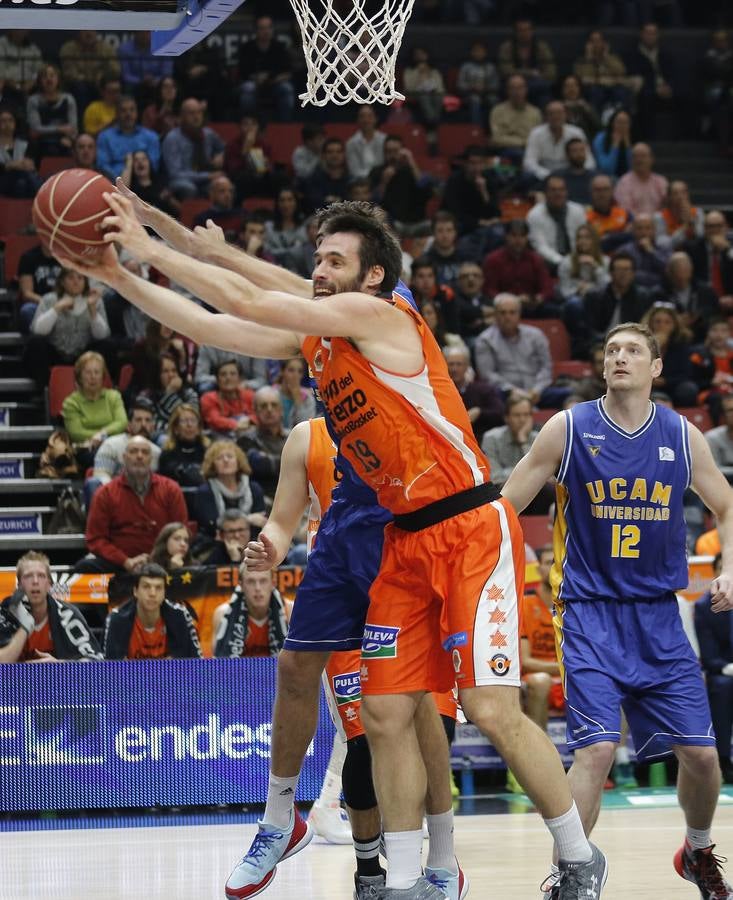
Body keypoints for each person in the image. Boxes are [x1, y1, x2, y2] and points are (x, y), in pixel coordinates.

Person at [69, 193, 606, 900]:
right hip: (404, 542)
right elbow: (214, 320)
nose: (316, 270)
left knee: (488, 708)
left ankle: (576, 857)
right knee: (382, 715)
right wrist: (120, 273)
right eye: (315, 259)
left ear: (373, 277)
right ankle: (410, 881)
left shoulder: (385, 318)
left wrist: (154, 246)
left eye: (333, 261)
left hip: (469, 527)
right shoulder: (322, 338)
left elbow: (258, 297)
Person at [502, 321, 733, 900]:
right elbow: (505, 506)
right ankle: (572, 875)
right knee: (597, 750)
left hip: (658, 614)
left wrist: (729, 567)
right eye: (611, 350)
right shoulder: (570, 428)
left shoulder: (682, 436)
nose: (619, 357)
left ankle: (698, 848)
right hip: (587, 611)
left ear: (656, 368)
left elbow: (726, 505)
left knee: (703, 757)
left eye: (633, 350)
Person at [237, 415, 464, 892]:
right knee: (357, 744)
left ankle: (442, 857)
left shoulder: (405, 417)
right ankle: (339, 857)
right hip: (340, 580)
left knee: (430, 725)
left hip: (405, 574)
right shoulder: (308, 436)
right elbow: (282, 521)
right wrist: (270, 549)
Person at [77, 435, 188, 574]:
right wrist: (125, 561)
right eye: (134, 451)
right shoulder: (105, 493)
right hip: (119, 565)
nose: (139, 456)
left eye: (145, 452)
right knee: (84, 567)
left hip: (163, 564)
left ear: (151, 459)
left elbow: (181, 531)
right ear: (124, 457)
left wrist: (160, 559)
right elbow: (96, 539)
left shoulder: (171, 489)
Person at [0, 551, 102, 663]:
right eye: (28, 576)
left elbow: (96, 661)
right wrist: (24, 628)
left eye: (41, 576)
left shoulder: (67, 615)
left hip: (57, 679)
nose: (35, 581)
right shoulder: (6, 613)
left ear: (49, 584)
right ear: (19, 585)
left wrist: (58, 666)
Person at [26, 268, 112, 388]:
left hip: (83, 355)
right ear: (62, 281)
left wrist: (92, 311)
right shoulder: (49, 299)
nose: (76, 282)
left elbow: (102, 335)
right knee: (35, 343)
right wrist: (57, 308)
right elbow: (38, 330)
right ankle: (44, 389)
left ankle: (100, 390)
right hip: (55, 353)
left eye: (80, 278)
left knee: (106, 345)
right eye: (71, 278)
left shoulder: (94, 301)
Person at [103, 562, 201, 659]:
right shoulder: (116, 619)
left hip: (170, 675)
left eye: (158, 588)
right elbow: (109, 668)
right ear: (135, 591)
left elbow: (196, 663)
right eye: (146, 587)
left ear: (164, 593)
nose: (152, 593)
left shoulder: (180, 615)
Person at [474, 293, 553, 406]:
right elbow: (488, 375)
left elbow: (546, 367)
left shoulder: (536, 335)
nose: (507, 317)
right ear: (495, 315)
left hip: (537, 392)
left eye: (512, 312)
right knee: (492, 397)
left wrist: (537, 389)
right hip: (505, 393)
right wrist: (511, 390)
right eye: (503, 313)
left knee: (568, 394)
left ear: (519, 314)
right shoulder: (485, 340)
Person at [694, 554, 733, 784]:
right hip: (723, 671)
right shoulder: (704, 606)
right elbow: (709, 658)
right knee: (722, 686)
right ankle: (724, 760)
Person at [520, 545, 565, 735]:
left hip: (569, 678)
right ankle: (537, 751)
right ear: (538, 569)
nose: (553, 567)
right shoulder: (524, 604)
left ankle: (618, 757)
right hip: (536, 677)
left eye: (557, 563)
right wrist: (561, 667)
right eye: (548, 562)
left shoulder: (573, 606)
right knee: (541, 681)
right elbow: (525, 662)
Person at [86, 395, 161, 506]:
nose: (143, 424)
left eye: (147, 420)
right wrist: (124, 494)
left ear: (153, 426)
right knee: (93, 484)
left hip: (146, 502)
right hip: (114, 499)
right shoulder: (111, 445)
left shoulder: (156, 452)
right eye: (138, 420)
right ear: (129, 424)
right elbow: (101, 477)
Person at [61, 350, 127, 471]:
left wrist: (102, 435)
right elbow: (76, 433)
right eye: (88, 372)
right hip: (87, 449)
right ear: (80, 376)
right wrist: (102, 437)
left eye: (97, 372)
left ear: (103, 376)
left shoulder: (113, 396)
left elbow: (122, 422)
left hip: (114, 445)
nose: (93, 377)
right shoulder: (71, 402)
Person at [192, 439, 266, 540]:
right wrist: (248, 519)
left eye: (230, 457)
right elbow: (211, 526)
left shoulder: (254, 488)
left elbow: (260, 522)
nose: (225, 460)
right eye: (219, 458)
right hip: (216, 542)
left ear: (238, 461)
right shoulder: (205, 492)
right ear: (213, 465)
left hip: (251, 541)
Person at [212, 564, 289, 658]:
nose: (258, 588)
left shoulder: (290, 612)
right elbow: (217, 664)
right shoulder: (222, 615)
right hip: (237, 672)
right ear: (241, 585)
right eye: (251, 581)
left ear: (273, 583)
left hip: (279, 672)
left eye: (263, 581)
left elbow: (299, 661)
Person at [482, 219, 554, 316]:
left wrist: (538, 298)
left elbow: (547, 287)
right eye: (514, 235)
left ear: (527, 238)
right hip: (504, 307)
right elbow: (489, 290)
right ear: (506, 236)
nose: (518, 240)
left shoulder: (536, 259)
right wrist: (513, 300)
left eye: (522, 236)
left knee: (557, 310)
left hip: (531, 306)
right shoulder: (493, 260)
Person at [161, 97, 225, 200]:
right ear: (182, 116)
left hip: (206, 178)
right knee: (189, 188)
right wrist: (207, 176)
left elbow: (224, 148)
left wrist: (221, 155)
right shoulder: (172, 138)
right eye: (192, 113)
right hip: (181, 180)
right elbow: (175, 174)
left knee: (222, 185)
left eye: (199, 112)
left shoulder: (208, 134)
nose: (196, 117)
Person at [237, 14, 294, 122]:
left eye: (269, 27)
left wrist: (272, 79)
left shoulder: (279, 47)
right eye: (262, 28)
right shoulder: (247, 48)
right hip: (254, 83)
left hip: (275, 83)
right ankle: (250, 124)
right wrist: (256, 78)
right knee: (247, 90)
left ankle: (285, 125)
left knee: (287, 89)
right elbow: (242, 73)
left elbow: (288, 72)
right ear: (256, 30)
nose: (266, 31)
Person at [523, 101, 596, 185]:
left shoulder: (577, 132)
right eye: (551, 113)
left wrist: (581, 173)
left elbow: (589, 160)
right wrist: (549, 175)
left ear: (566, 115)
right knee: (527, 176)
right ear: (545, 117)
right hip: (544, 175)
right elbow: (529, 162)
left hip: (570, 175)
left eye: (559, 113)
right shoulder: (536, 133)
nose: (556, 116)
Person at [443, 344, 504, 442]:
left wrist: (480, 412)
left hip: (479, 442)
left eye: (459, 364)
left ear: (467, 366)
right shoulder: (439, 391)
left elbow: (500, 413)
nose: (454, 369)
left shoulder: (483, 389)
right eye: (451, 364)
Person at [237, 386, 290, 499]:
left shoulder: (292, 436)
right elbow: (261, 465)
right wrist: (292, 462)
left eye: (274, 405)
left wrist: (269, 459)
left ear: (281, 410)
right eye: (263, 406)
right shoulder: (246, 439)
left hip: (294, 496)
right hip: (263, 497)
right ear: (255, 411)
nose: (269, 409)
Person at [527, 175, 587, 271]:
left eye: (561, 189)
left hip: (576, 260)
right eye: (553, 190)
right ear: (545, 193)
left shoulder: (578, 211)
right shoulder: (535, 215)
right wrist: (564, 263)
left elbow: (584, 240)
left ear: (566, 192)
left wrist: (575, 261)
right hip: (549, 263)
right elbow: (540, 247)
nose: (558, 193)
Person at [96, 94, 160, 181]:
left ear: (137, 112)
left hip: (144, 185)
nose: (128, 114)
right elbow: (103, 165)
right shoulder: (105, 137)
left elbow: (154, 165)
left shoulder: (151, 137)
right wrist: (121, 181)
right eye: (123, 110)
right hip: (114, 184)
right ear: (117, 114)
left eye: (132, 110)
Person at [26, 63, 77, 161]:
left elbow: (73, 128)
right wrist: (60, 129)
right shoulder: (33, 100)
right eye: (45, 76)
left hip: (64, 142)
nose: (49, 79)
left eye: (52, 75)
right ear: (40, 81)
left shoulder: (68, 99)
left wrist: (71, 139)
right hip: (40, 144)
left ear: (58, 79)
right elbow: (35, 129)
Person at [489, 74, 542, 162]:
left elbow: (538, 138)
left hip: (531, 151)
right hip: (506, 151)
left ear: (526, 90)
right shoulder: (497, 111)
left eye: (520, 88)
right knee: (518, 153)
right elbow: (496, 138)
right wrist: (522, 142)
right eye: (513, 88)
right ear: (508, 91)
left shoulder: (535, 112)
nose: (517, 92)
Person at [200, 359, 255, 438]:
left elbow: (258, 415)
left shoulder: (250, 395)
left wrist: (249, 420)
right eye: (223, 374)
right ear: (217, 380)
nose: (228, 378)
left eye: (233, 374)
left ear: (240, 379)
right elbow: (214, 420)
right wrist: (236, 424)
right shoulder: (208, 398)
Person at [157, 402, 207, 487]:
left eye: (193, 420)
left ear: (199, 427)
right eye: (184, 421)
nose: (189, 425)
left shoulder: (208, 450)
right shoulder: (168, 454)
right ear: (176, 428)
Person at [614, 142, 668, 217]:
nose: (639, 160)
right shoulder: (624, 182)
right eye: (635, 156)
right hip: (634, 225)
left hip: (659, 224)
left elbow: (667, 205)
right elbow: (626, 211)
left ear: (651, 159)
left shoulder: (661, 181)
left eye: (643, 156)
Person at [0, 106, 41, 198]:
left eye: (10, 120)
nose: (7, 124)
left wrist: (26, 164)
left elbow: (31, 164)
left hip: (23, 180)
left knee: (22, 183)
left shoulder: (25, 142)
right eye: (3, 121)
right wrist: (9, 165)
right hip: (3, 181)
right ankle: (41, 194)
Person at [346, 105, 386, 180]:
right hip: (359, 182)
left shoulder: (384, 140)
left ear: (376, 119)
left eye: (370, 116)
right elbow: (354, 170)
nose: (366, 120)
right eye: (362, 117)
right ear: (357, 120)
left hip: (382, 181)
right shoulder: (351, 143)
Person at [591, 109, 633, 179]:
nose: (622, 126)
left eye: (625, 123)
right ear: (612, 123)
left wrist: (627, 147)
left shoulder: (634, 138)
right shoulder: (601, 138)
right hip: (608, 178)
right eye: (619, 122)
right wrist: (615, 146)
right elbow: (606, 169)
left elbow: (633, 169)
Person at [277, 357, 316, 429]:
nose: (295, 375)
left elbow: (306, 428)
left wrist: (297, 399)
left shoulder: (308, 398)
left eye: (300, 371)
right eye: (291, 370)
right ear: (282, 371)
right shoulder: (272, 394)